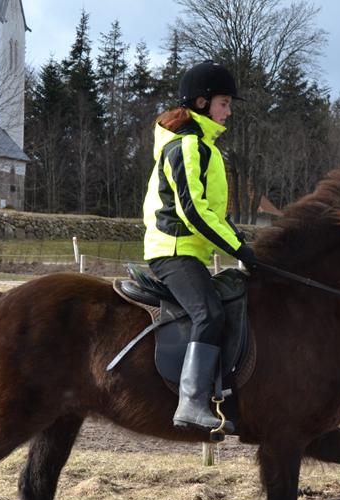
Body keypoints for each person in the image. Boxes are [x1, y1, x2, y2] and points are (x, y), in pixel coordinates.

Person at [142, 60, 258, 434]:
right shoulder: (188, 146)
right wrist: (240, 251)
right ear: (202, 102)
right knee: (208, 314)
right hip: (172, 249)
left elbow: (213, 213)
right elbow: (193, 211)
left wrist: (242, 244)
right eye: (224, 103)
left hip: (186, 249)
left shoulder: (203, 146)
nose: (229, 112)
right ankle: (191, 403)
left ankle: (225, 393)